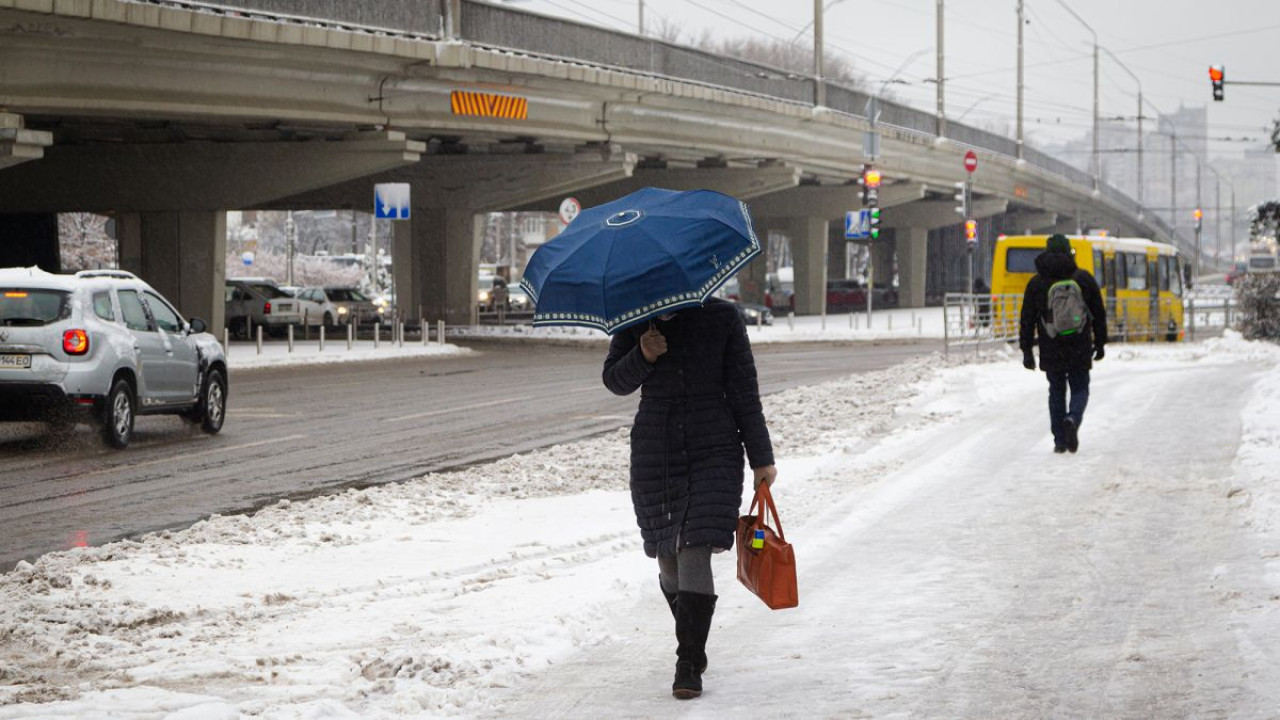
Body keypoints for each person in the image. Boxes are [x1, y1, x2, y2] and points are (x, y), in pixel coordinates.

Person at [603, 297, 776, 700]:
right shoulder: (634, 318)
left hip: (714, 444)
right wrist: (642, 355)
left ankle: (687, 660)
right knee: (666, 554)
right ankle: (693, 642)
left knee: (694, 546)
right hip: (656, 448)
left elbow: (744, 391)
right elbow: (615, 381)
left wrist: (761, 458)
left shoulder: (722, 317)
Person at [1019, 234, 1107, 453]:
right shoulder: (1083, 279)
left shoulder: (1037, 283)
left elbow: (1027, 318)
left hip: (1051, 345)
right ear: (1069, 252)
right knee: (1080, 387)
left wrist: (1027, 350)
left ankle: (1059, 440)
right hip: (1079, 344)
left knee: (1056, 392)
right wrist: (1101, 342)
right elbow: (1099, 312)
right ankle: (1073, 419)